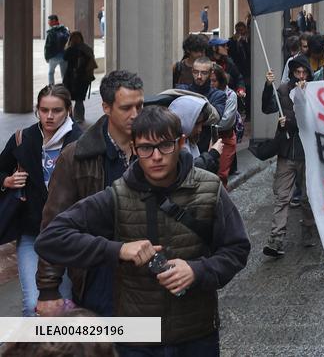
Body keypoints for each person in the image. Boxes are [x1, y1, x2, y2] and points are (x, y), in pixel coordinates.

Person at [34, 106, 250, 355]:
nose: (156, 156)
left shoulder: (209, 188)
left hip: (196, 333)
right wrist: (118, 249)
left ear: (180, 143)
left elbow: (237, 248)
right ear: (135, 149)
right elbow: (50, 238)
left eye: (165, 145)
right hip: (136, 338)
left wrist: (197, 270)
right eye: (146, 148)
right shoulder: (117, 195)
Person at [35, 70, 144, 317]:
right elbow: (54, 222)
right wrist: (49, 288)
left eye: (140, 106)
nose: (135, 115)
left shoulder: (154, 149)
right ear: (106, 107)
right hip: (98, 274)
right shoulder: (77, 156)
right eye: (126, 108)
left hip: (146, 275)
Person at [0, 85, 81, 316]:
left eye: (56, 110)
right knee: (32, 304)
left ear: (68, 110)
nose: (49, 116)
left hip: (68, 234)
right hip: (31, 232)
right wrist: (6, 181)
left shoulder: (81, 141)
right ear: (37, 109)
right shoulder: (24, 138)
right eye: (44, 110)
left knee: (62, 305)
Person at [261, 60, 324, 271]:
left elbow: (314, 119)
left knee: (307, 196)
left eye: (304, 72)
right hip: (286, 151)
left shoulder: (315, 91)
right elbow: (268, 107)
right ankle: (276, 239)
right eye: (297, 72)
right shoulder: (283, 90)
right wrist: (268, 87)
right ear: (292, 73)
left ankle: (309, 230)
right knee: (282, 196)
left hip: (308, 153)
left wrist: (290, 119)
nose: (301, 76)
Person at [63, 31, 97, 124]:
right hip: (76, 78)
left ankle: (76, 117)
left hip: (79, 78)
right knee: (76, 99)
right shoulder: (85, 49)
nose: (75, 40)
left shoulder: (76, 49)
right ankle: (76, 117)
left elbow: (65, 57)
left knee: (77, 100)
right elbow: (65, 57)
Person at [44, 14, 70, 85]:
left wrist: (46, 57)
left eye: (49, 21)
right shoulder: (64, 29)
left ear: (54, 21)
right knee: (64, 74)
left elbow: (47, 46)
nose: (48, 22)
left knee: (51, 73)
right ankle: (65, 87)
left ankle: (51, 87)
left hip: (53, 56)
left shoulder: (51, 32)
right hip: (64, 56)